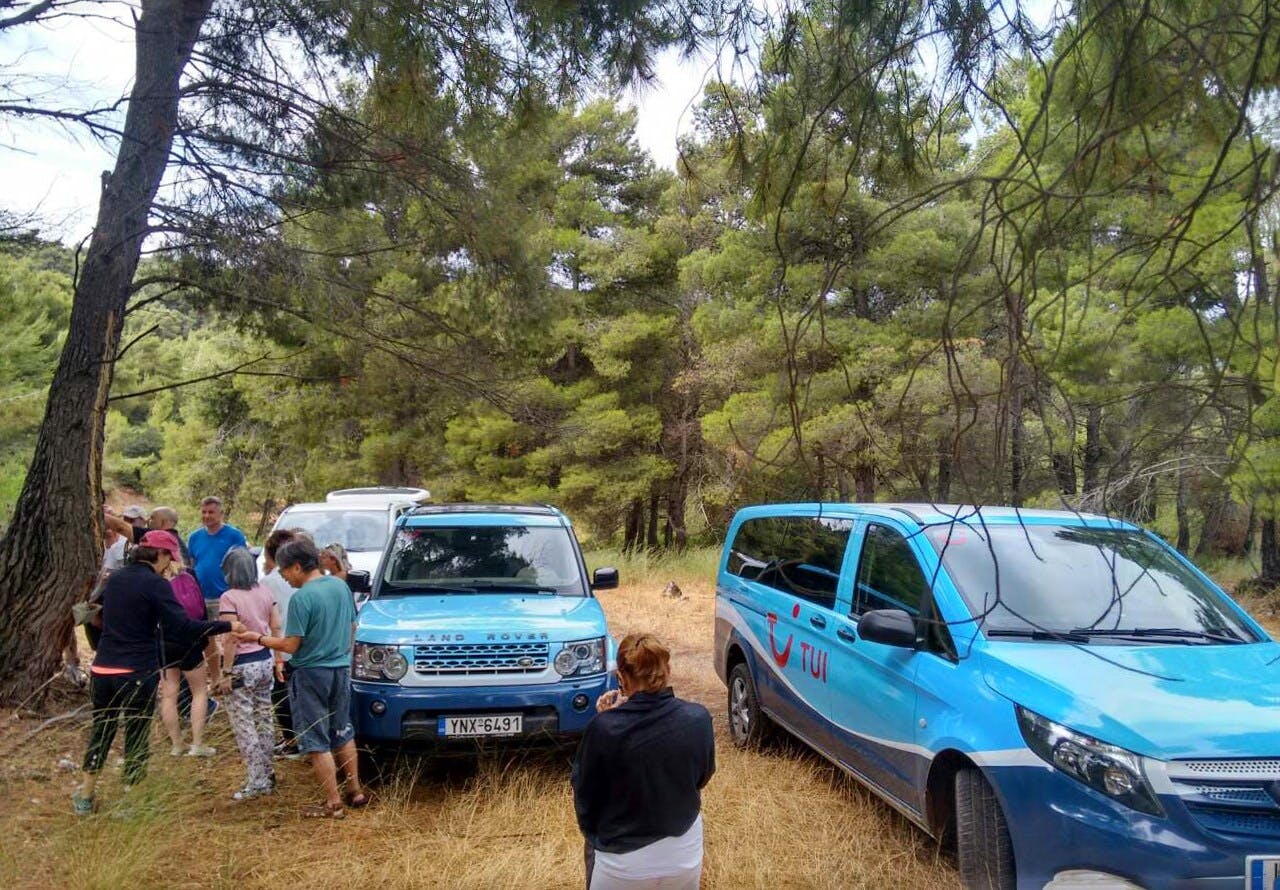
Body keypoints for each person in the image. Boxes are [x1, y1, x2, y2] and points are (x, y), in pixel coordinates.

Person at [72, 530, 240, 815]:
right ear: (160, 555)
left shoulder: (115, 579)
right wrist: (228, 627)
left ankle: (86, 797)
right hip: (136, 670)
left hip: (102, 667)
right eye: (168, 558)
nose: (168, 565)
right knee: (136, 734)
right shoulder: (155, 584)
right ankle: (131, 802)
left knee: (102, 730)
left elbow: (94, 617)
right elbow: (183, 627)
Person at [572, 634, 715, 890]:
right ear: (667, 671)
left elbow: (586, 798)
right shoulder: (698, 718)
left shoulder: (604, 729)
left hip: (622, 864)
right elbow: (702, 777)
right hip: (683, 854)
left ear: (621, 678)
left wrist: (608, 720)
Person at [237, 538, 366, 817]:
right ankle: (355, 790)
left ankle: (333, 803)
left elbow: (291, 645)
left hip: (310, 673)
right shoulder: (340, 586)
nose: (283, 576)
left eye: (284, 570)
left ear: (297, 567)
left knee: (316, 741)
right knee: (342, 730)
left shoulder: (302, 598)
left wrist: (257, 638)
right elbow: (352, 627)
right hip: (340, 669)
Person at [216, 547, 281, 800]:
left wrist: (226, 671)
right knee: (264, 717)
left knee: (244, 724)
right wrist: (278, 659)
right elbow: (275, 624)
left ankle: (257, 780)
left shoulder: (229, 598)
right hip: (264, 659)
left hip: (242, 664)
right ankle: (268, 771)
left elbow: (231, 637)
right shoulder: (265, 591)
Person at [156, 531, 221, 758]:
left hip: (164, 641)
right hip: (190, 639)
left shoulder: (155, 582)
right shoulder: (189, 575)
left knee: (169, 693)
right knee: (200, 691)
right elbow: (201, 610)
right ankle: (198, 742)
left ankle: (176, 744)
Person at [260, 528, 299, 756]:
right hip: (301, 645)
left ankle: (291, 739)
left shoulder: (269, 581)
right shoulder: (301, 577)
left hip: (280, 647)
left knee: (281, 694)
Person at [188, 496, 248, 616]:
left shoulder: (234, 536)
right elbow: (191, 565)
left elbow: (241, 566)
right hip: (200, 598)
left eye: (211, 512)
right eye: (204, 512)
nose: (206, 516)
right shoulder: (194, 537)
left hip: (225, 598)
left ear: (221, 514)